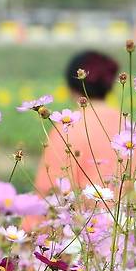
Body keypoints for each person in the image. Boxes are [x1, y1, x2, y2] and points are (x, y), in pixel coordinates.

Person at [34, 50, 123, 195]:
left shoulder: (67, 127)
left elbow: (49, 191)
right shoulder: (127, 125)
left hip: (82, 215)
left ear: (70, 85)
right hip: (126, 216)